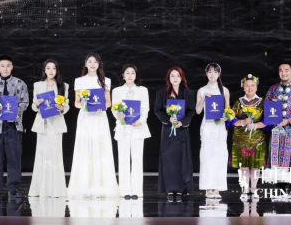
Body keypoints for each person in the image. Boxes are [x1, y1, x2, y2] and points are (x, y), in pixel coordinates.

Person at [68, 52, 119, 198]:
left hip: (99, 118)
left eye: (95, 62)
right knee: (85, 148)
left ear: (99, 64)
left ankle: (101, 184)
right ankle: (84, 184)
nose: (92, 64)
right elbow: (76, 103)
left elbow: (108, 102)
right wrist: (84, 104)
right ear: (85, 63)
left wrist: (102, 107)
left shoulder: (105, 80)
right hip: (85, 118)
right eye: (90, 61)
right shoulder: (79, 81)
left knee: (100, 148)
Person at [0, 55, 30, 198]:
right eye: (2, 66)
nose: (5, 68)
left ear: (12, 67)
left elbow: (25, 102)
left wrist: (16, 112)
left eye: (8, 65)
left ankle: (13, 188)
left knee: (14, 159)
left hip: (13, 126)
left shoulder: (20, 83)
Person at [265, 58, 291, 193]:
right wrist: (272, 106)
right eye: (281, 70)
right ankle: (281, 185)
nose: (283, 73)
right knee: (277, 157)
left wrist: (289, 121)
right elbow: (267, 107)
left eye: (286, 70)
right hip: (277, 129)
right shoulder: (273, 90)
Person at [29, 59, 70, 197]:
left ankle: (56, 189)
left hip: (56, 124)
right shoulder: (38, 85)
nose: (51, 71)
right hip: (42, 124)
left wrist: (62, 108)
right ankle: (40, 189)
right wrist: (37, 104)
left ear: (57, 70)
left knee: (56, 155)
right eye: (48, 68)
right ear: (44, 70)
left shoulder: (63, 86)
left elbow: (67, 106)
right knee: (41, 155)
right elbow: (33, 106)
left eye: (54, 68)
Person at [154, 66, 196, 200]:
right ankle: (170, 189)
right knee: (168, 159)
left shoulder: (188, 93)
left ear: (182, 77)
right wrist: (168, 119)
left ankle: (181, 189)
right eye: (172, 76)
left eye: (178, 75)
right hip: (167, 130)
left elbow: (191, 111)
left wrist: (182, 122)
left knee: (182, 159)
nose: (175, 78)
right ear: (168, 78)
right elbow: (157, 110)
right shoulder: (161, 93)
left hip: (182, 130)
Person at [111, 64, 151, 199]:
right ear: (123, 75)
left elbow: (145, 109)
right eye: (127, 73)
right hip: (123, 128)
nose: (130, 75)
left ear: (136, 75)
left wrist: (141, 121)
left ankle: (137, 191)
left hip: (138, 128)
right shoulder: (116, 91)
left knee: (137, 159)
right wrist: (118, 115)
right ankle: (124, 191)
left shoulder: (143, 90)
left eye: (132, 73)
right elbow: (114, 108)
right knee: (123, 159)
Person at [227, 74, 267, 200]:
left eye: (252, 85)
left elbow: (268, 120)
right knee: (243, 166)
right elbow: (231, 119)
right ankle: (244, 189)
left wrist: (254, 126)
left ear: (256, 87)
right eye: (247, 85)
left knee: (256, 166)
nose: (250, 88)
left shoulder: (262, 102)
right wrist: (243, 122)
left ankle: (253, 189)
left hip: (257, 138)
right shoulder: (238, 102)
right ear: (243, 87)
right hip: (240, 139)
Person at [195, 62, 230, 199]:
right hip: (208, 127)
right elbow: (198, 111)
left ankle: (217, 187)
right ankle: (208, 187)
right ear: (206, 73)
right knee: (207, 156)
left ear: (219, 74)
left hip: (220, 127)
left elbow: (228, 111)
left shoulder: (224, 90)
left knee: (220, 156)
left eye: (215, 72)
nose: (212, 74)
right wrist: (203, 99)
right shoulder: (202, 90)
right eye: (209, 72)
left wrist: (225, 117)